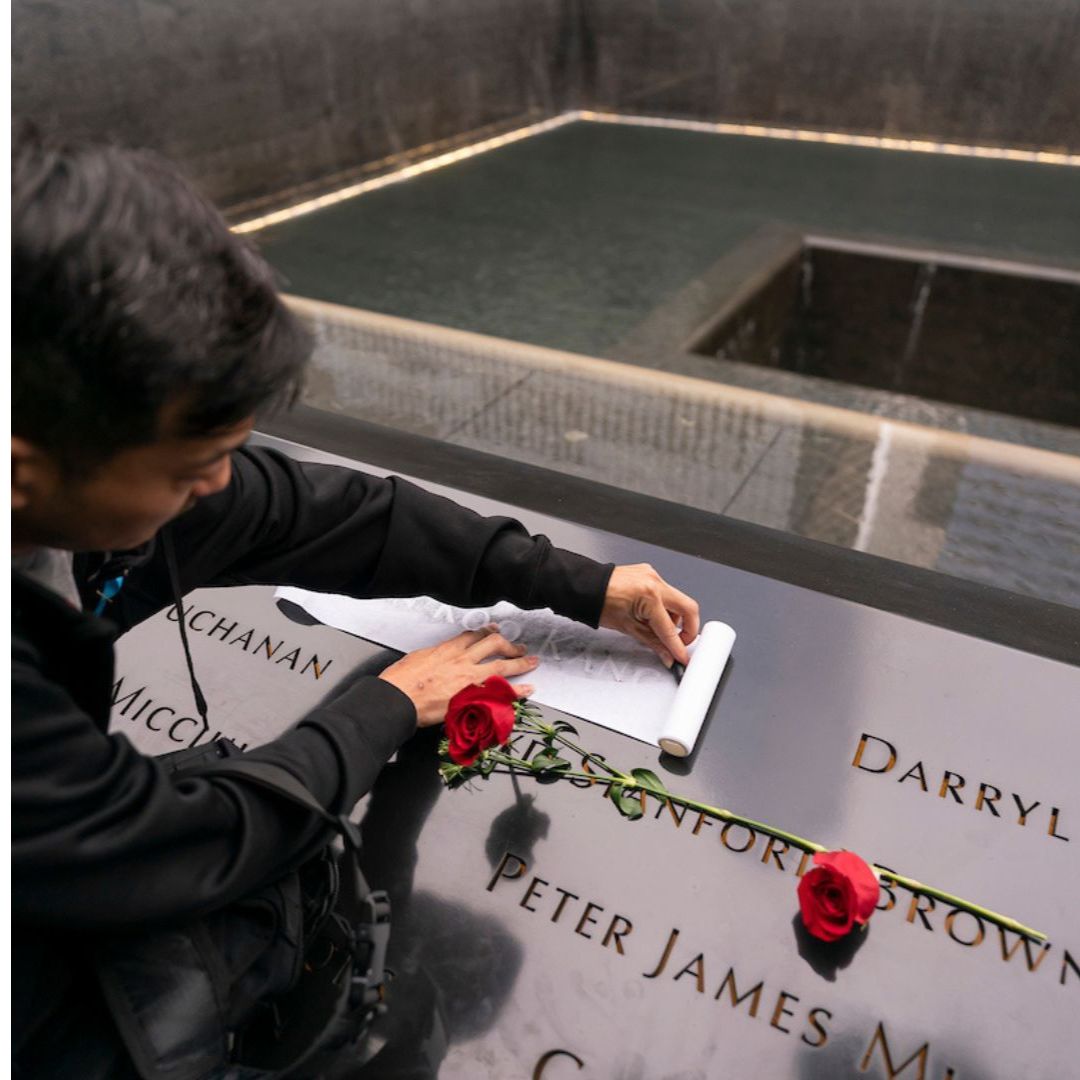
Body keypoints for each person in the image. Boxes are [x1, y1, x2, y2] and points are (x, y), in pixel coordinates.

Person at [11, 126, 700, 1077]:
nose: (221, 484)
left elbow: (333, 516)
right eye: (191, 466)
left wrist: (578, 584)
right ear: (25, 471)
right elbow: (161, 850)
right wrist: (381, 707)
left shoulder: (64, 458)